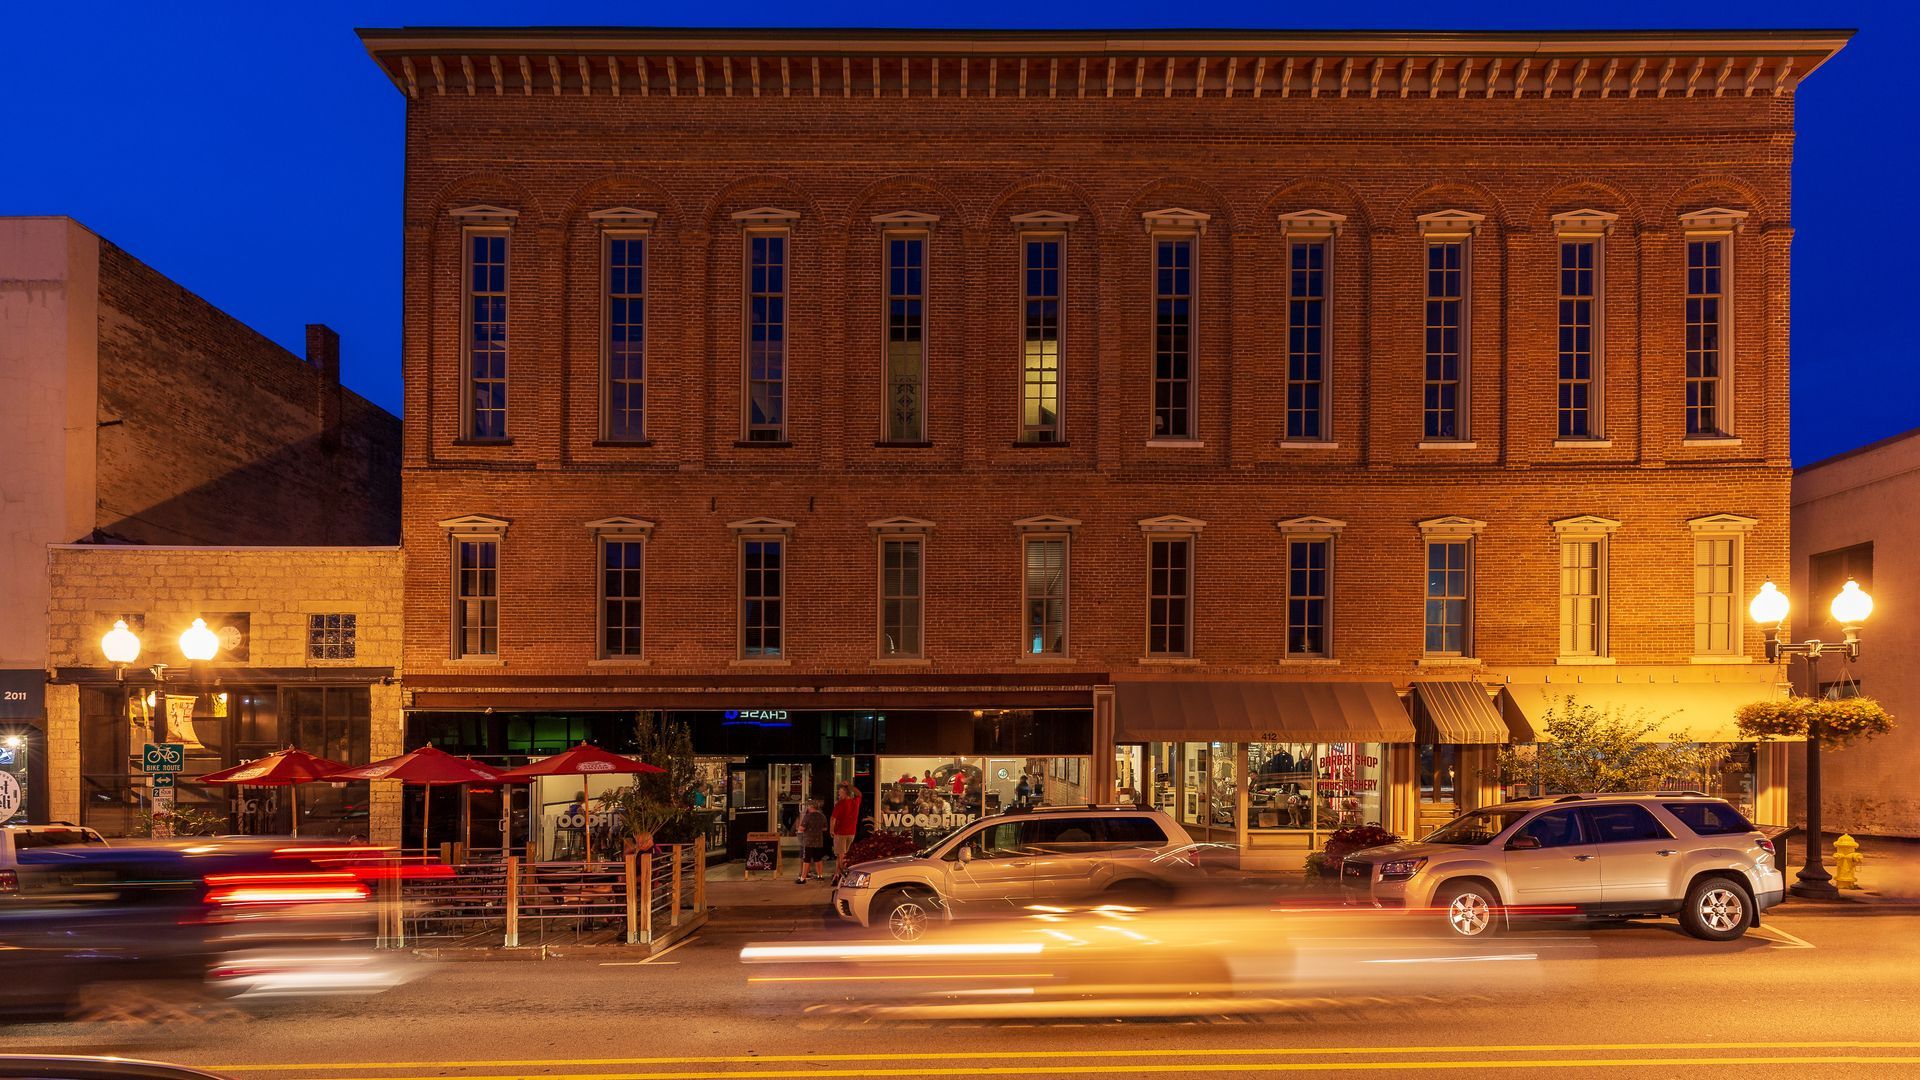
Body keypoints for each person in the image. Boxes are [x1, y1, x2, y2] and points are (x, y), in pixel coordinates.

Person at [794, 798, 830, 884]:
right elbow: (825, 828)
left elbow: (802, 828)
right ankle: (820, 876)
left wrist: (799, 828)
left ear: (811, 806)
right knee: (818, 859)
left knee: (807, 860)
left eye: (808, 806)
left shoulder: (808, 816)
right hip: (818, 841)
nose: (807, 807)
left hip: (808, 841)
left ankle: (803, 878)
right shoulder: (822, 816)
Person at [830, 783, 861, 865]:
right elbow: (859, 793)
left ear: (844, 792)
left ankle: (842, 873)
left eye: (840, 792)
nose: (838, 794)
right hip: (851, 832)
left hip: (840, 833)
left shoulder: (840, 804)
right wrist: (849, 786)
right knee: (845, 854)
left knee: (841, 855)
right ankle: (837, 873)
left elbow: (833, 818)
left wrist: (831, 830)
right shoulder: (855, 802)